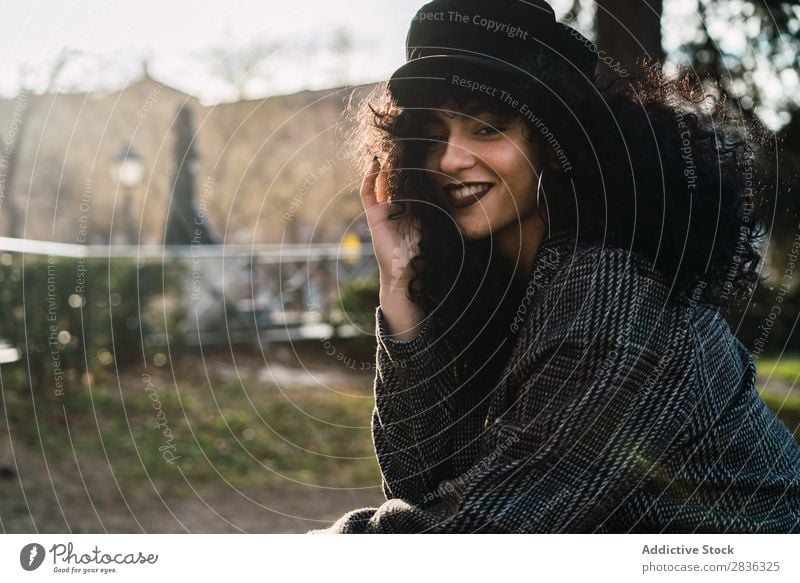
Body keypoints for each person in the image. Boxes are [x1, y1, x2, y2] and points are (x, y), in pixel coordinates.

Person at [309, 0, 800, 533]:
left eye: (486, 128)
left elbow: (477, 540)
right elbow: (424, 487)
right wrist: (400, 285)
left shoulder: (614, 296)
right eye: (434, 134)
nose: (449, 159)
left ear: (552, 139)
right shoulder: (502, 286)